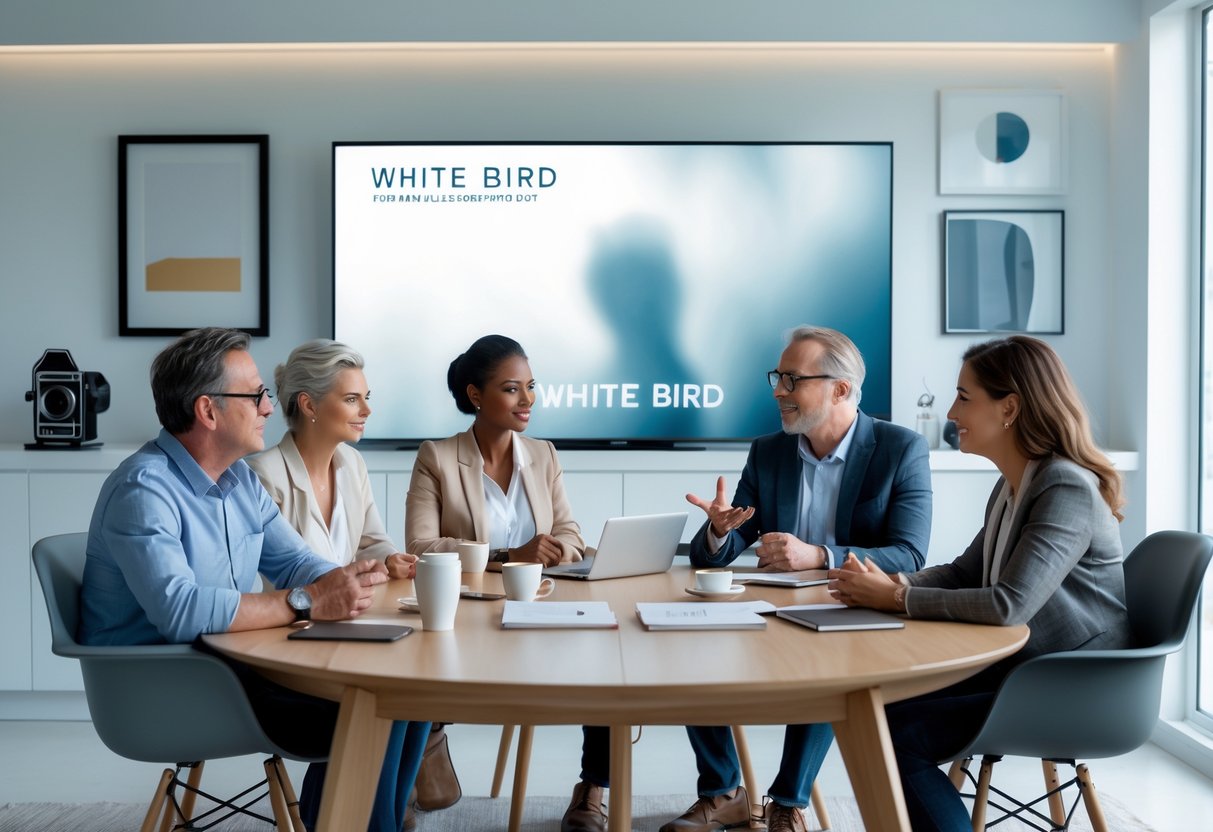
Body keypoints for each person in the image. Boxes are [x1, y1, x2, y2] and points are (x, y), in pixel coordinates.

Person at [79, 327, 411, 832]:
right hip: (168, 687)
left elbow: (297, 563)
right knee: (377, 706)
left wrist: (349, 579)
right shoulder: (143, 489)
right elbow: (182, 612)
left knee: (405, 694)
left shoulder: (237, 481)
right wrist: (308, 602)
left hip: (229, 667)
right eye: (255, 395)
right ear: (208, 411)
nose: (267, 407)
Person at [827, 335, 1131, 832]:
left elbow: (1009, 604)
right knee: (873, 707)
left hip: (1074, 684)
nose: (950, 412)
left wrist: (897, 597)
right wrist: (888, 581)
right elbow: (966, 572)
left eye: (964, 397)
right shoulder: (1016, 483)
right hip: (1028, 668)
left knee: (893, 730)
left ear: (1009, 408)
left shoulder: (1065, 486)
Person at [665, 325, 933, 832]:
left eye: (792, 379)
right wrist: (720, 533)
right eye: (777, 377)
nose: (778, 391)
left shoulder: (901, 449)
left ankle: (788, 802)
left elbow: (910, 555)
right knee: (687, 641)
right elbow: (722, 552)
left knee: (826, 653)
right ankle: (723, 791)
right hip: (772, 607)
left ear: (840, 389)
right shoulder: (769, 451)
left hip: (852, 607)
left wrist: (820, 556)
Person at [405, 334, 594, 831]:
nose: (528, 400)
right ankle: (416, 752)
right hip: (468, 616)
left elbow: (571, 533)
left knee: (604, 667)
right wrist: (509, 556)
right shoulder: (438, 457)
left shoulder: (544, 454)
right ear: (475, 396)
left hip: (541, 611)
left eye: (531, 387)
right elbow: (421, 546)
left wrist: (559, 550)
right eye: (512, 389)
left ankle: (592, 790)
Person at [247, 338, 429, 831]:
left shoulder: (351, 465)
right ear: (308, 405)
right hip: (288, 640)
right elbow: (267, 579)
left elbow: (370, 539)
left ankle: (381, 820)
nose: (367, 409)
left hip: (345, 626)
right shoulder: (263, 476)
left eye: (366, 397)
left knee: (421, 698)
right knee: (390, 697)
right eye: (352, 399)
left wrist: (390, 557)